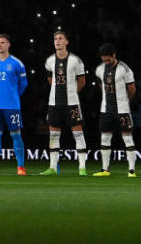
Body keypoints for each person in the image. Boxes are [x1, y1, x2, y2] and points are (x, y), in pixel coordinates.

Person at [40, 30, 89, 176]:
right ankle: (53, 167)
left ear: (67, 42)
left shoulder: (76, 60)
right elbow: (50, 80)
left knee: (78, 134)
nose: (57, 41)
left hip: (72, 103)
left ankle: (82, 168)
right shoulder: (49, 61)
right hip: (54, 103)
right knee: (54, 135)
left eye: (61, 38)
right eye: (55, 38)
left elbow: (82, 82)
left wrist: (71, 93)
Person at [0, 34, 28, 175]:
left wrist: (13, 95)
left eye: (2, 42)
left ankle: (20, 167)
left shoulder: (17, 63)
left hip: (12, 106)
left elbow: (24, 84)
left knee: (16, 135)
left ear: (8, 44)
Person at [91, 43, 137, 177]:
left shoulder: (125, 69)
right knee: (105, 137)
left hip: (122, 108)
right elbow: (100, 83)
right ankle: (105, 169)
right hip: (106, 108)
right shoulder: (99, 69)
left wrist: (125, 100)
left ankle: (131, 170)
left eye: (108, 59)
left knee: (127, 137)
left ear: (114, 55)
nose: (106, 62)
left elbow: (132, 88)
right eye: (104, 59)